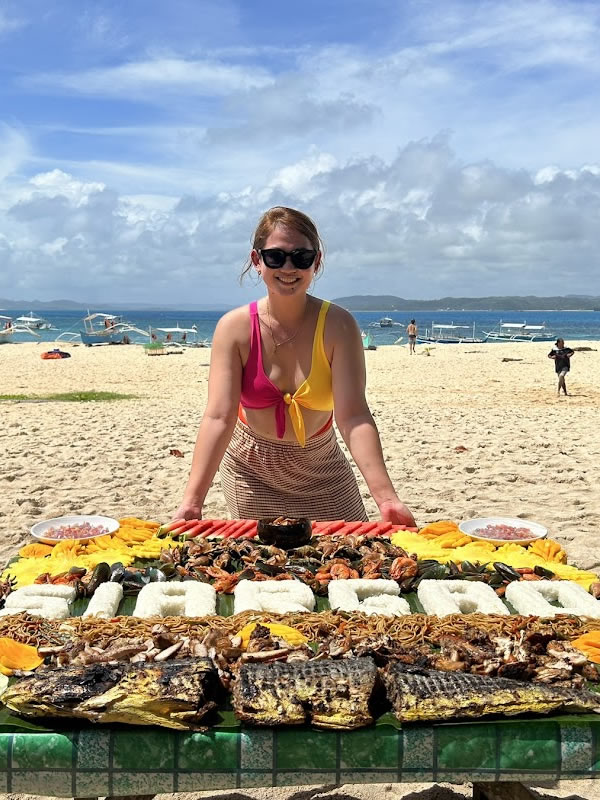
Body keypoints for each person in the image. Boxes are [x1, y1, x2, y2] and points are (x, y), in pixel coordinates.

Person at [175, 206, 416, 526]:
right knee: (263, 572)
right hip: (251, 472)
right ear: (256, 260)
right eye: (276, 257)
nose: (289, 267)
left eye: (301, 257)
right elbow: (219, 416)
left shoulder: (339, 325)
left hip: (322, 470)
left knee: (344, 569)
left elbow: (354, 416)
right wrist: (192, 503)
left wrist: (387, 499)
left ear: (316, 262)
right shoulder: (234, 329)